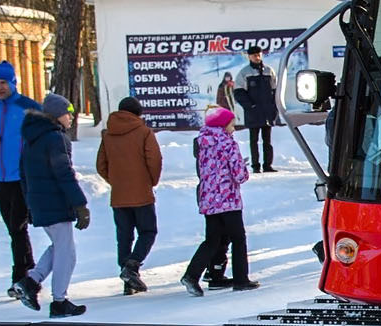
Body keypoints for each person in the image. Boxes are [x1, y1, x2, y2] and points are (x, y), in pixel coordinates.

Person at [13, 92, 91, 317]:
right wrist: (80, 204)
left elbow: (23, 174)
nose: (71, 118)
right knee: (67, 253)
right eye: (69, 114)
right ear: (57, 115)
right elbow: (64, 172)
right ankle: (59, 300)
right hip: (54, 201)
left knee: (59, 247)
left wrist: (30, 202)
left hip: (40, 201)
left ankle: (31, 282)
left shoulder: (32, 138)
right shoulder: (55, 138)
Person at [0, 60, 41, 293]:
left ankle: (20, 277)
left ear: (13, 83)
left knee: (18, 227)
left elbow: (43, 139)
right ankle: (30, 269)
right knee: (14, 228)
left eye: (3, 82)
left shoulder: (28, 107)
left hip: (23, 176)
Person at [182, 106, 259, 294]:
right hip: (228, 198)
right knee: (238, 238)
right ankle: (241, 279)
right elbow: (239, 174)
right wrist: (244, 171)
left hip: (209, 199)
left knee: (212, 240)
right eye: (232, 124)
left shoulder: (203, 141)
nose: (233, 127)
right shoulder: (227, 142)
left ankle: (191, 275)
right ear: (224, 124)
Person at [95, 95, 163, 295]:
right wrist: (150, 180)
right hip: (141, 192)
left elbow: (101, 165)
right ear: (138, 113)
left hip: (119, 195)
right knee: (148, 231)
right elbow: (155, 160)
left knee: (124, 237)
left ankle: (127, 281)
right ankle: (132, 267)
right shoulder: (144, 132)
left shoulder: (108, 135)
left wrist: (115, 180)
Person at [232, 44, 281, 172]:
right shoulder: (244, 73)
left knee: (267, 140)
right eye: (254, 55)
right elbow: (238, 92)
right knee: (254, 140)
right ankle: (255, 166)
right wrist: (250, 106)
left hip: (267, 111)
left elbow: (275, 90)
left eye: (259, 54)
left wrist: (274, 107)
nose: (257, 57)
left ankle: (267, 165)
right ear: (249, 57)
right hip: (253, 112)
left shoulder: (269, 71)